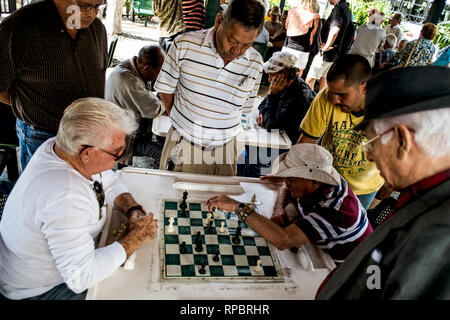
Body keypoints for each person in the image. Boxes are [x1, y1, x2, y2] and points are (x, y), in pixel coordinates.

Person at [0, 98, 158, 300]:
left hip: (66, 265)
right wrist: (136, 239)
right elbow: (82, 277)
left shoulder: (61, 149)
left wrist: (132, 210)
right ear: (86, 153)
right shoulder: (64, 196)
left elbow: (108, 180)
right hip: (40, 291)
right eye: (116, 152)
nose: (120, 157)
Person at [316, 66, 450, 299]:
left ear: (401, 139)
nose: (369, 155)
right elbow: (377, 275)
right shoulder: (420, 195)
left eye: (371, 142)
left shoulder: (440, 233)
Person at [208, 143, 373, 265]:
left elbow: (283, 240)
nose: (286, 181)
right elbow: (285, 187)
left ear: (314, 182)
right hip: (320, 251)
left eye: (292, 178)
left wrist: (238, 207)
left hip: (347, 267)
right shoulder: (316, 182)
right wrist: (279, 209)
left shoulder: (338, 210)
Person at [154, 0, 266, 176]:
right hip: (184, 145)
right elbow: (165, 89)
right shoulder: (184, 45)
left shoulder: (255, 63)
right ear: (218, 21)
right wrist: (183, 124)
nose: (236, 50)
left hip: (226, 151)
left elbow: (244, 109)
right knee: (176, 201)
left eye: (246, 45)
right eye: (232, 40)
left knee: (220, 203)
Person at [0, 0, 108, 171]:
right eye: (84, 6)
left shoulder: (97, 29)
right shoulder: (17, 29)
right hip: (42, 135)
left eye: (98, 6)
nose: (92, 14)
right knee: (44, 193)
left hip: (87, 135)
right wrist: (31, 106)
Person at [297, 54, 384, 210]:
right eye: (332, 93)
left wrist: (381, 196)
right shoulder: (326, 97)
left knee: (345, 230)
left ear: (364, 88)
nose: (334, 100)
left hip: (363, 188)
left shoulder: (389, 108)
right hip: (327, 178)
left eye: (342, 95)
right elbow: (305, 144)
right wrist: (289, 177)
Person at [239, 51, 316, 177]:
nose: (269, 79)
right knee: (242, 161)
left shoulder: (300, 97)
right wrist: (268, 109)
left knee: (253, 167)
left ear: (284, 74)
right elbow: (262, 106)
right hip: (273, 139)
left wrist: (271, 95)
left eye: (272, 75)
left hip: (284, 147)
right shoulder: (284, 85)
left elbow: (271, 124)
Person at [105, 45, 165, 167]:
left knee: (161, 139)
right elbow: (154, 109)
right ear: (147, 67)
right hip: (124, 140)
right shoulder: (127, 79)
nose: (160, 76)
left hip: (132, 131)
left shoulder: (133, 66)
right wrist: (166, 99)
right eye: (159, 72)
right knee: (163, 154)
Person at [305, 0, 353, 92]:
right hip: (335, 53)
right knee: (323, 80)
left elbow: (335, 29)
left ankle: (310, 104)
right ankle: (318, 104)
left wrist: (326, 46)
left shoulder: (338, 8)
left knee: (310, 80)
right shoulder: (346, 8)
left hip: (328, 53)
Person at [282, 0, 320, 77]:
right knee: (298, 75)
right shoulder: (315, 16)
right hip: (303, 50)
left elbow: (286, 27)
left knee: (282, 73)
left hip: (288, 46)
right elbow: (313, 34)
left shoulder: (292, 11)